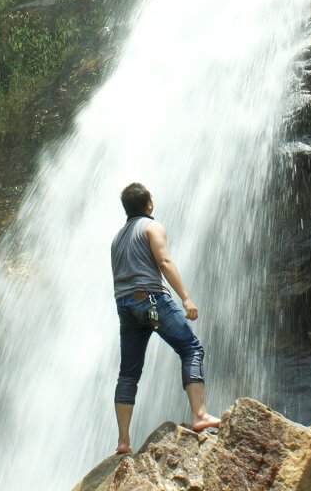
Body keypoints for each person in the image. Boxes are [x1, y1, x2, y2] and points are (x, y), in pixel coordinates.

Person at [109, 182, 220, 455]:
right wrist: (185, 297)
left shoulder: (117, 238)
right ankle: (200, 415)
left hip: (125, 305)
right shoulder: (151, 227)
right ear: (149, 203)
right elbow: (164, 261)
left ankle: (123, 440)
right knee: (191, 348)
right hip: (150, 300)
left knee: (128, 373)